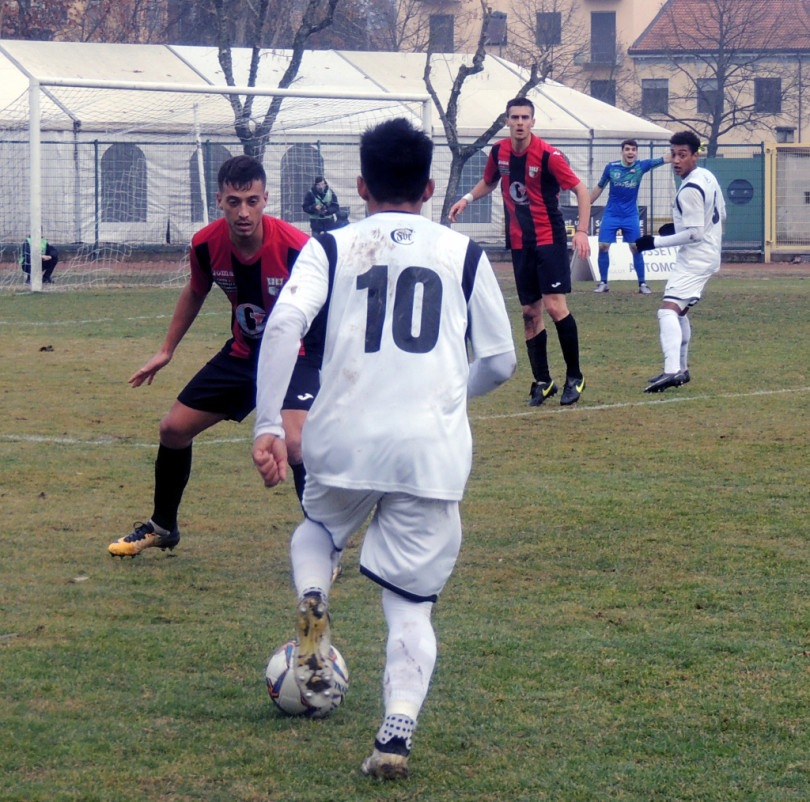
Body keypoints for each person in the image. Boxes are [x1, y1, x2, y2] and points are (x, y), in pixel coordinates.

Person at [252, 118, 516, 780]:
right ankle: (396, 726)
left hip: (343, 433)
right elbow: (503, 361)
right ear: (430, 188)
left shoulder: (333, 246)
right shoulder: (465, 253)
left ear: (361, 185)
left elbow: (285, 322)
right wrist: (450, 396)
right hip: (428, 448)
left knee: (317, 529)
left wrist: (265, 424)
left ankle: (315, 598)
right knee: (409, 606)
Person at [108, 155, 321, 558]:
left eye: (253, 201)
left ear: (266, 200)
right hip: (243, 355)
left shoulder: (298, 248)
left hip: (297, 357)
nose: (244, 212)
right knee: (172, 429)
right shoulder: (205, 244)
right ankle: (162, 525)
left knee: (295, 443)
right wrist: (166, 350)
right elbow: (195, 289)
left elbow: (330, 308)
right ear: (220, 200)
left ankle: (322, 547)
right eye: (235, 201)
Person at [449, 96, 590, 407]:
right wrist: (467, 200)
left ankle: (575, 376)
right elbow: (488, 182)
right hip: (519, 242)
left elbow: (580, 190)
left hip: (549, 239)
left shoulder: (549, 155)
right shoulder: (499, 151)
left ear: (533, 122)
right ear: (507, 121)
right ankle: (543, 381)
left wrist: (581, 231)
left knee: (555, 307)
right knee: (529, 313)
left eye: (525, 117)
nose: (520, 122)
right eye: (515, 117)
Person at [632, 130, 726, 393]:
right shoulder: (707, 176)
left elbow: (695, 233)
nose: (676, 160)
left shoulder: (689, 190)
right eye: (673, 154)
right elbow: (718, 215)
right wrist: (678, 226)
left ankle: (672, 370)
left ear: (695, 156)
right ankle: (681, 369)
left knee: (667, 311)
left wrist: (653, 242)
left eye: (683, 155)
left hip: (696, 257)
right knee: (679, 311)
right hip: (706, 254)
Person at [589, 139, 671, 294]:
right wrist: (588, 203)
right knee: (603, 246)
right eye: (627, 149)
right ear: (622, 152)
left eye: (633, 149)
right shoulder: (611, 168)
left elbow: (664, 159)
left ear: (636, 152)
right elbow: (600, 186)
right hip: (612, 214)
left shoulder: (641, 166)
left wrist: (681, 152)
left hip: (630, 215)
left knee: (636, 248)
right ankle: (603, 283)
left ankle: (642, 284)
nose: (630, 152)